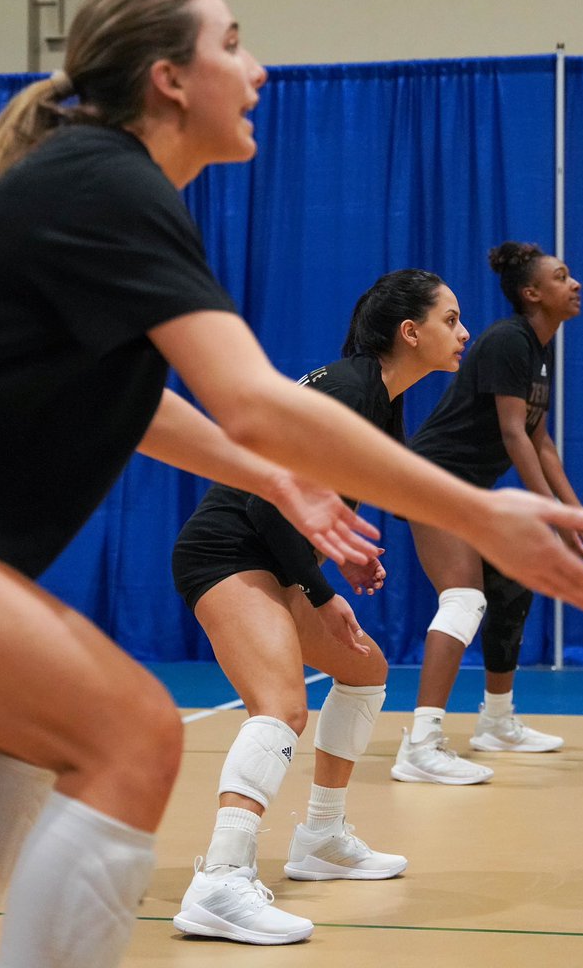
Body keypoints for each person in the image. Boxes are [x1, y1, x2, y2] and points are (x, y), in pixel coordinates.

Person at [0, 0, 583, 968]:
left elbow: (140, 405)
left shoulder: (107, 187)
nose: (257, 67)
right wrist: (478, 511)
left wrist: (279, 480)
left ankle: (317, 834)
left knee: (24, 759)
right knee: (133, 737)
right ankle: (223, 883)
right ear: (168, 80)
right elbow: (251, 400)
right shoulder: (107, 182)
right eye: (231, 43)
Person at [170, 268, 469, 945]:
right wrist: (323, 589)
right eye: (451, 319)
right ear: (410, 331)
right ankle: (220, 879)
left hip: (269, 552)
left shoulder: (378, 401)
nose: (464, 331)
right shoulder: (348, 389)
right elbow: (262, 503)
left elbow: (302, 507)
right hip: (226, 551)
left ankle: (322, 837)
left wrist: (338, 559)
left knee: (364, 670)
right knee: (281, 706)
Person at [392, 242, 583, 786]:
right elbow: (513, 434)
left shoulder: (541, 349)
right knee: (465, 598)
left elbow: (540, 440)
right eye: (562, 276)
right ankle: (419, 744)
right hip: (435, 481)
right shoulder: (508, 340)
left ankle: (495, 722)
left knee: (511, 587)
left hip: (470, 488)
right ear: (532, 293)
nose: (576, 283)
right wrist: (553, 519)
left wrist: (575, 512)